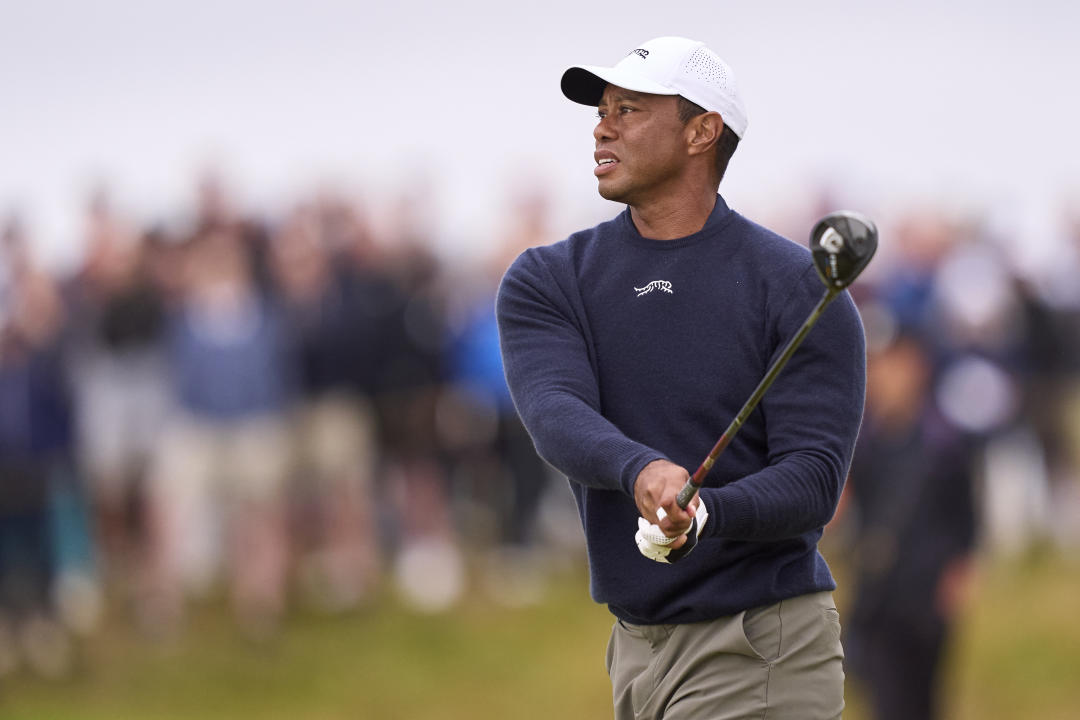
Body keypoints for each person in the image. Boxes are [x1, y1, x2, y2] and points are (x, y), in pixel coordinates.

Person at [496, 37, 866, 718]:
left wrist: (704, 512)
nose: (603, 126)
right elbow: (554, 410)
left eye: (629, 109)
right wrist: (641, 470)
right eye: (603, 110)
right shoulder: (550, 280)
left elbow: (813, 478)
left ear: (702, 132)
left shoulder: (797, 287)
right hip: (636, 648)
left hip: (762, 646)